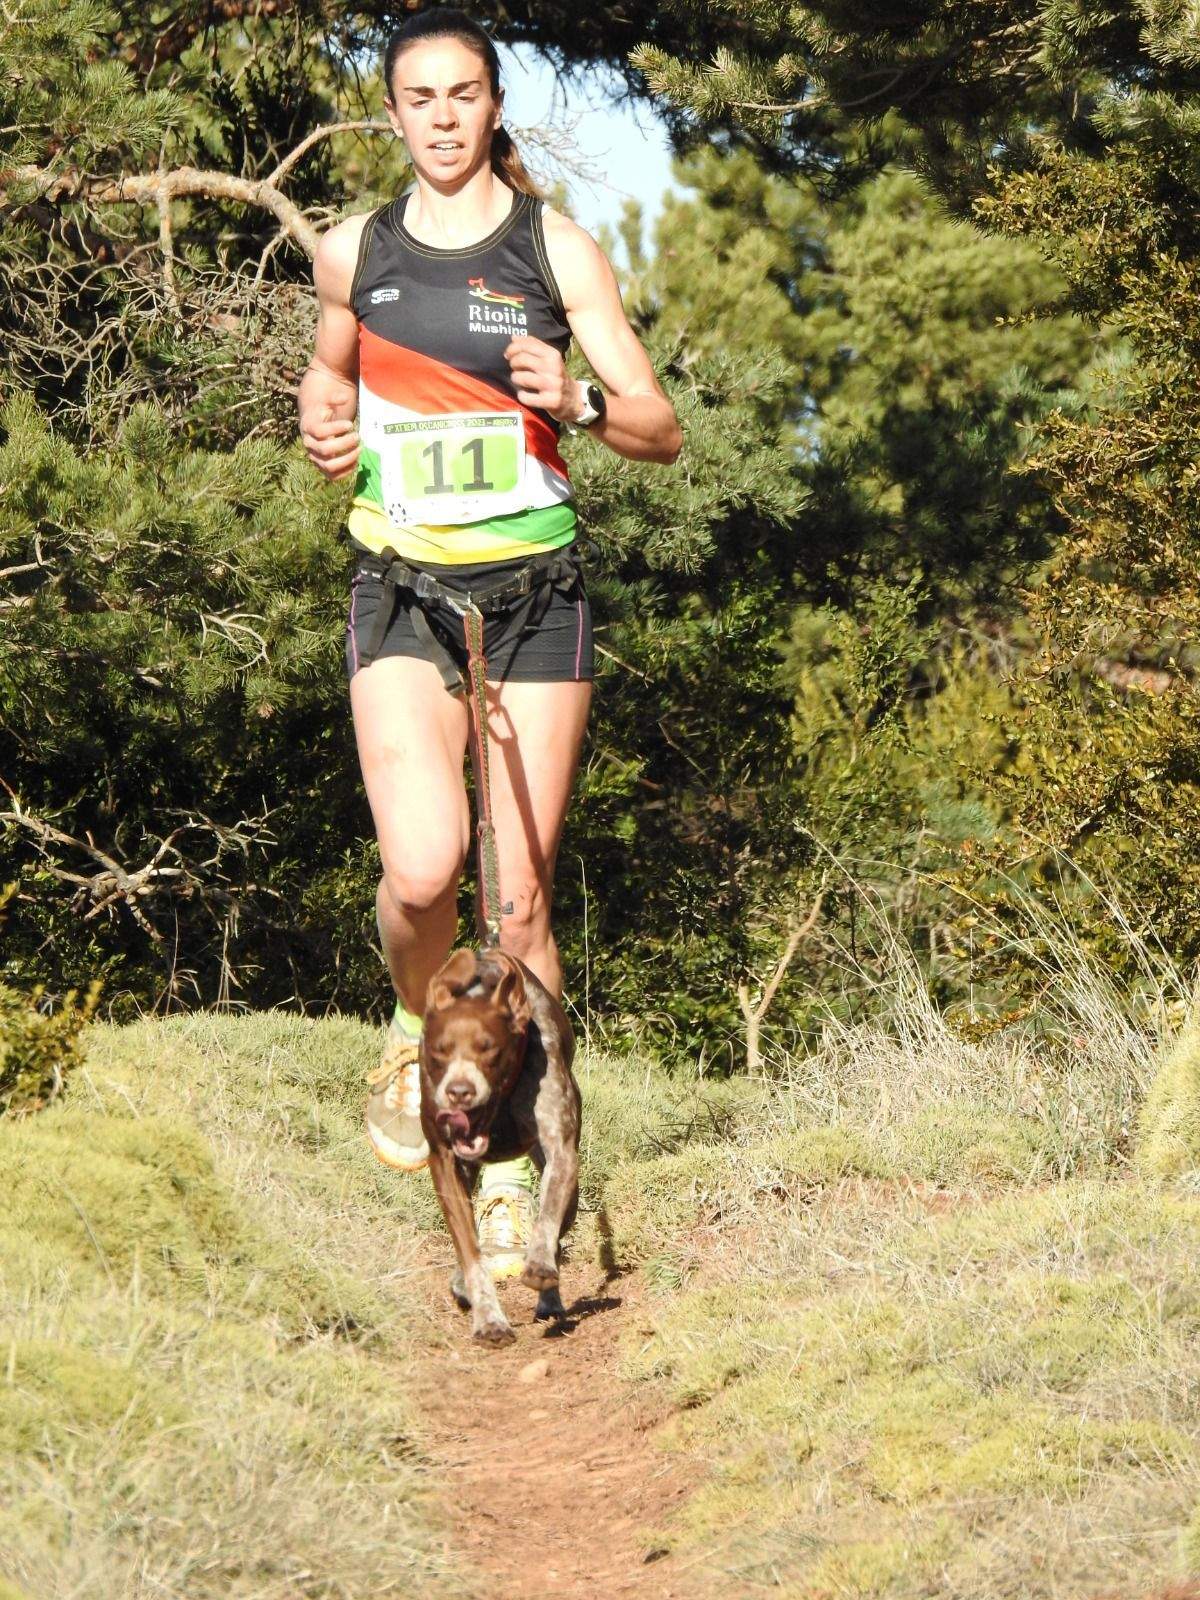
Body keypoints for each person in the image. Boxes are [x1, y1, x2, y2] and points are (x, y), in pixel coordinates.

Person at [298, 9, 681, 1277]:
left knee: (517, 909)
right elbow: (328, 372)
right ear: (392, 112)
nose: (445, 118)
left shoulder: (553, 248)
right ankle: (425, 1037)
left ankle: (511, 1171)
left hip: (534, 595)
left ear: (494, 105)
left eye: (466, 95)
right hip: (402, 588)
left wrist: (574, 398)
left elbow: (655, 427)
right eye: (421, 97)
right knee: (421, 874)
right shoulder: (355, 249)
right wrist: (324, 421)